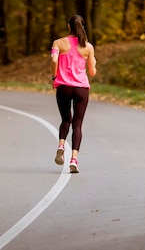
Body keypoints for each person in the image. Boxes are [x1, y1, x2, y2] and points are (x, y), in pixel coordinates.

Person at [50, 15, 97, 173]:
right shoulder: (88, 47)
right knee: (78, 124)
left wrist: (54, 76)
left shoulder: (58, 42)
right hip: (81, 89)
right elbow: (92, 72)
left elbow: (54, 60)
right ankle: (74, 160)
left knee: (65, 120)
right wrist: (93, 64)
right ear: (82, 27)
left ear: (68, 26)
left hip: (64, 87)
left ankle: (61, 145)